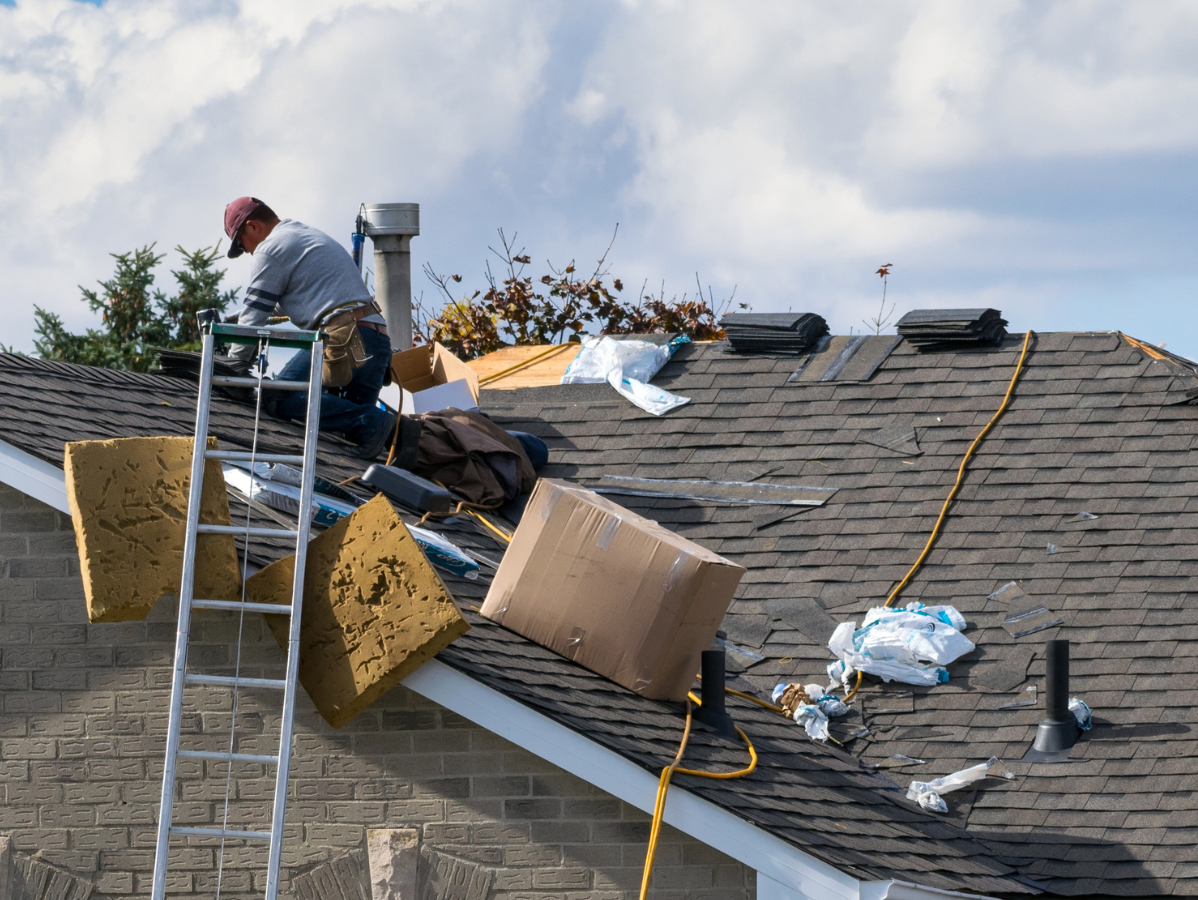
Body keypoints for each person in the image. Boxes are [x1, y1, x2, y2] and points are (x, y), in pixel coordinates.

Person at [223, 197, 397, 459]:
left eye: (241, 243)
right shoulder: (301, 234)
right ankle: (390, 430)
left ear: (252, 226)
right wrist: (236, 319)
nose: (246, 250)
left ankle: (374, 421)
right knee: (350, 432)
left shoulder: (269, 249)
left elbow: (255, 314)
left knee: (278, 396)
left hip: (344, 338)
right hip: (374, 339)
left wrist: (232, 367)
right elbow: (288, 302)